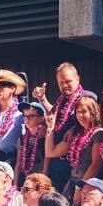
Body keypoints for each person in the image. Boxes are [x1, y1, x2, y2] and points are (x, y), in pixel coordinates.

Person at [33, 62, 89, 192]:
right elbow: (54, 114)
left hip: (73, 161)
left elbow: (91, 119)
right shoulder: (61, 100)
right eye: (61, 82)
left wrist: (74, 128)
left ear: (77, 79)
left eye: (68, 81)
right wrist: (42, 99)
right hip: (55, 159)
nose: (64, 85)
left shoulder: (86, 96)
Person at [44, 95, 103, 203]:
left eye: (84, 111)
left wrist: (80, 188)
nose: (80, 115)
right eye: (77, 112)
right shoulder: (76, 135)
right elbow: (50, 152)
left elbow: (96, 165)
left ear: (93, 113)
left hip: (89, 186)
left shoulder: (99, 133)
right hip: (72, 184)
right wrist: (50, 128)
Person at [15, 101, 47, 184]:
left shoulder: (46, 137)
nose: (27, 119)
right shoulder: (22, 139)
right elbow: (18, 163)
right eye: (25, 116)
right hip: (25, 179)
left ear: (41, 118)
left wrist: (42, 184)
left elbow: (46, 164)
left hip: (40, 180)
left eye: (31, 116)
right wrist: (15, 184)